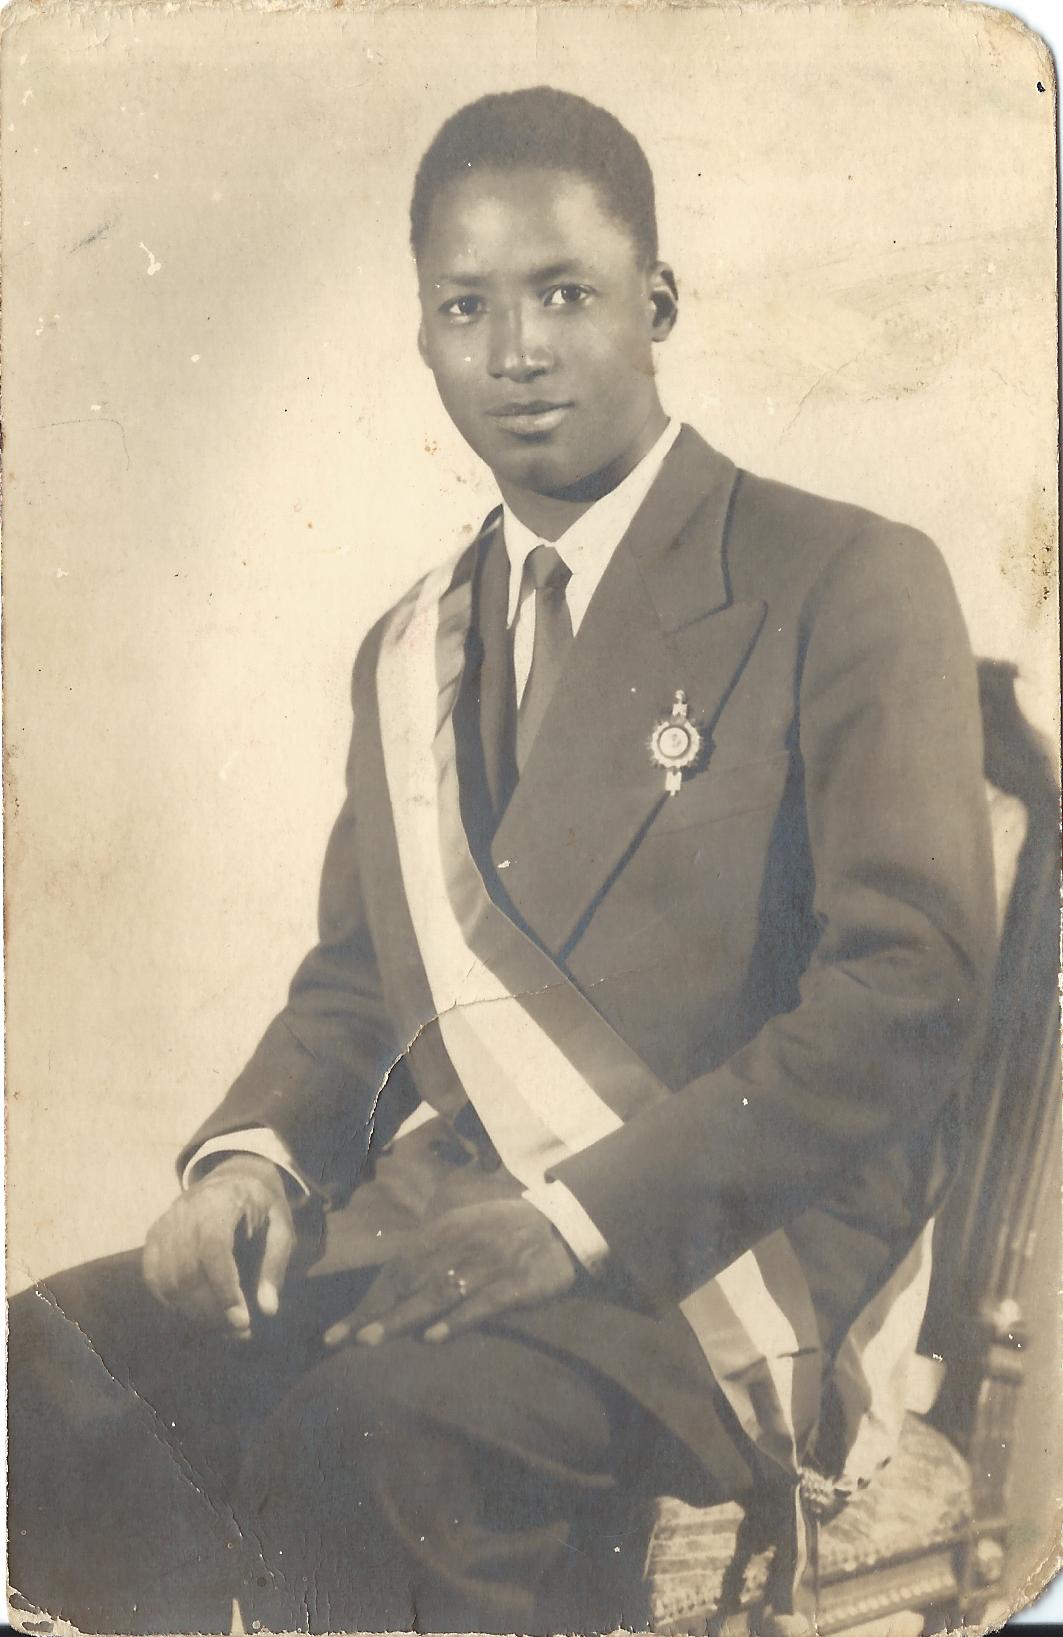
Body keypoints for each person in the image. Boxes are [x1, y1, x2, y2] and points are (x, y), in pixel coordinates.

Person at [9, 86, 996, 1636]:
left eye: (565, 294)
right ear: (422, 335)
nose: (517, 350)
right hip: (452, 1226)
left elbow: (908, 994)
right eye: (467, 306)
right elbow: (361, 986)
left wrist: (577, 1220)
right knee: (52, 1363)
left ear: (656, 303)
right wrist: (252, 1157)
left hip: (725, 1260)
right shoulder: (408, 648)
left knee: (373, 1441)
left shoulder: (843, 577)